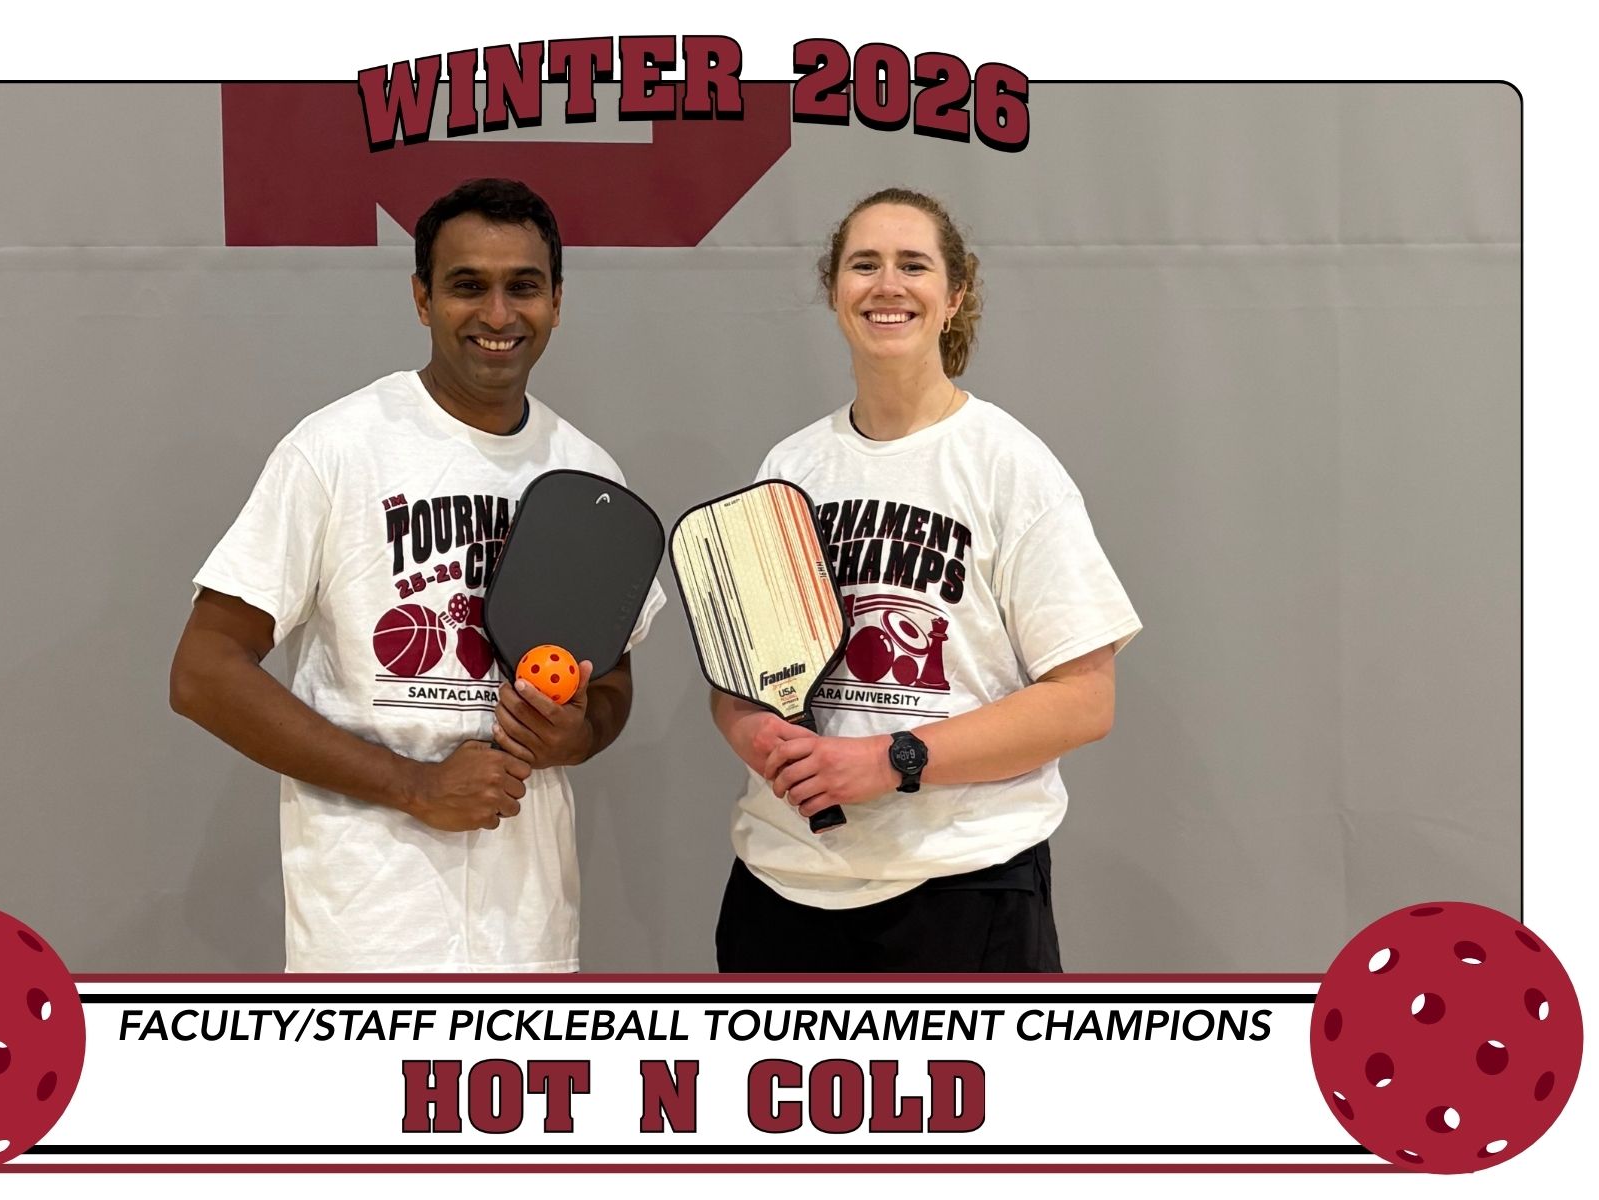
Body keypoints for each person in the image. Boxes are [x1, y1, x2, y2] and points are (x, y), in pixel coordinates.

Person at [170, 178, 663, 972]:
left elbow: (609, 688)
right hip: (367, 937)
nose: (498, 315)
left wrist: (578, 734)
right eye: (468, 285)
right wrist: (414, 784)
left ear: (558, 302)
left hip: (530, 938)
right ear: (421, 299)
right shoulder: (336, 447)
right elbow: (202, 672)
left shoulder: (589, 472)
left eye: (523, 287)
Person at [710, 187, 1141, 972]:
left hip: (961, 890)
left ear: (955, 295)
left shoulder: (1010, 465)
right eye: (864, 264)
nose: (887, 285)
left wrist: (893, 758)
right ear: (835, 289)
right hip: (782, 889)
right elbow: (739, 688)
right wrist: (757, 735)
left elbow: (1086, 698)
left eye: (914, 265)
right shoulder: (790, 467)